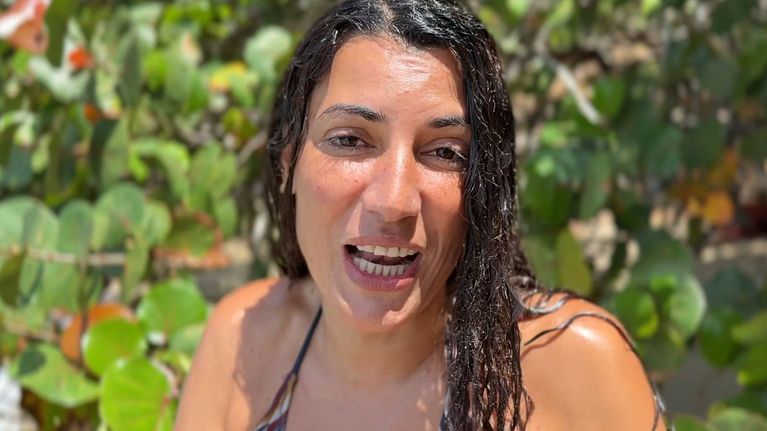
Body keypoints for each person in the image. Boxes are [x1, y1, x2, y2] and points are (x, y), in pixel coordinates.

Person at [175, 0, 666, 429]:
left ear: (481, 186)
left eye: (445, 152)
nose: (394, 200)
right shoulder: (243, 339)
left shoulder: (569, 365)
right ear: (289, 165)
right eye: (350, 140)